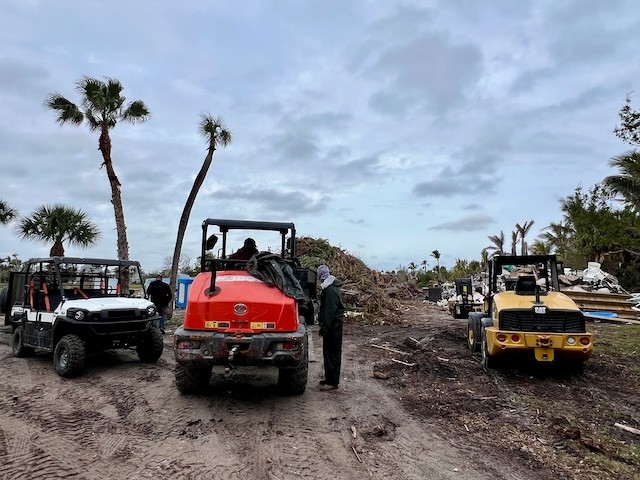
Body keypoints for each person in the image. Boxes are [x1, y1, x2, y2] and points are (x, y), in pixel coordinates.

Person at [317, 264, 345, 391]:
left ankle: (332, 382)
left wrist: (324, 327)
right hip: (333, 325)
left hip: (333, 326)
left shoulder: (330, 290)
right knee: (329, 352)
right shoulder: (331, 287)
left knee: (332, 353)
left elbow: (329, 311)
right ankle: (329, 378)